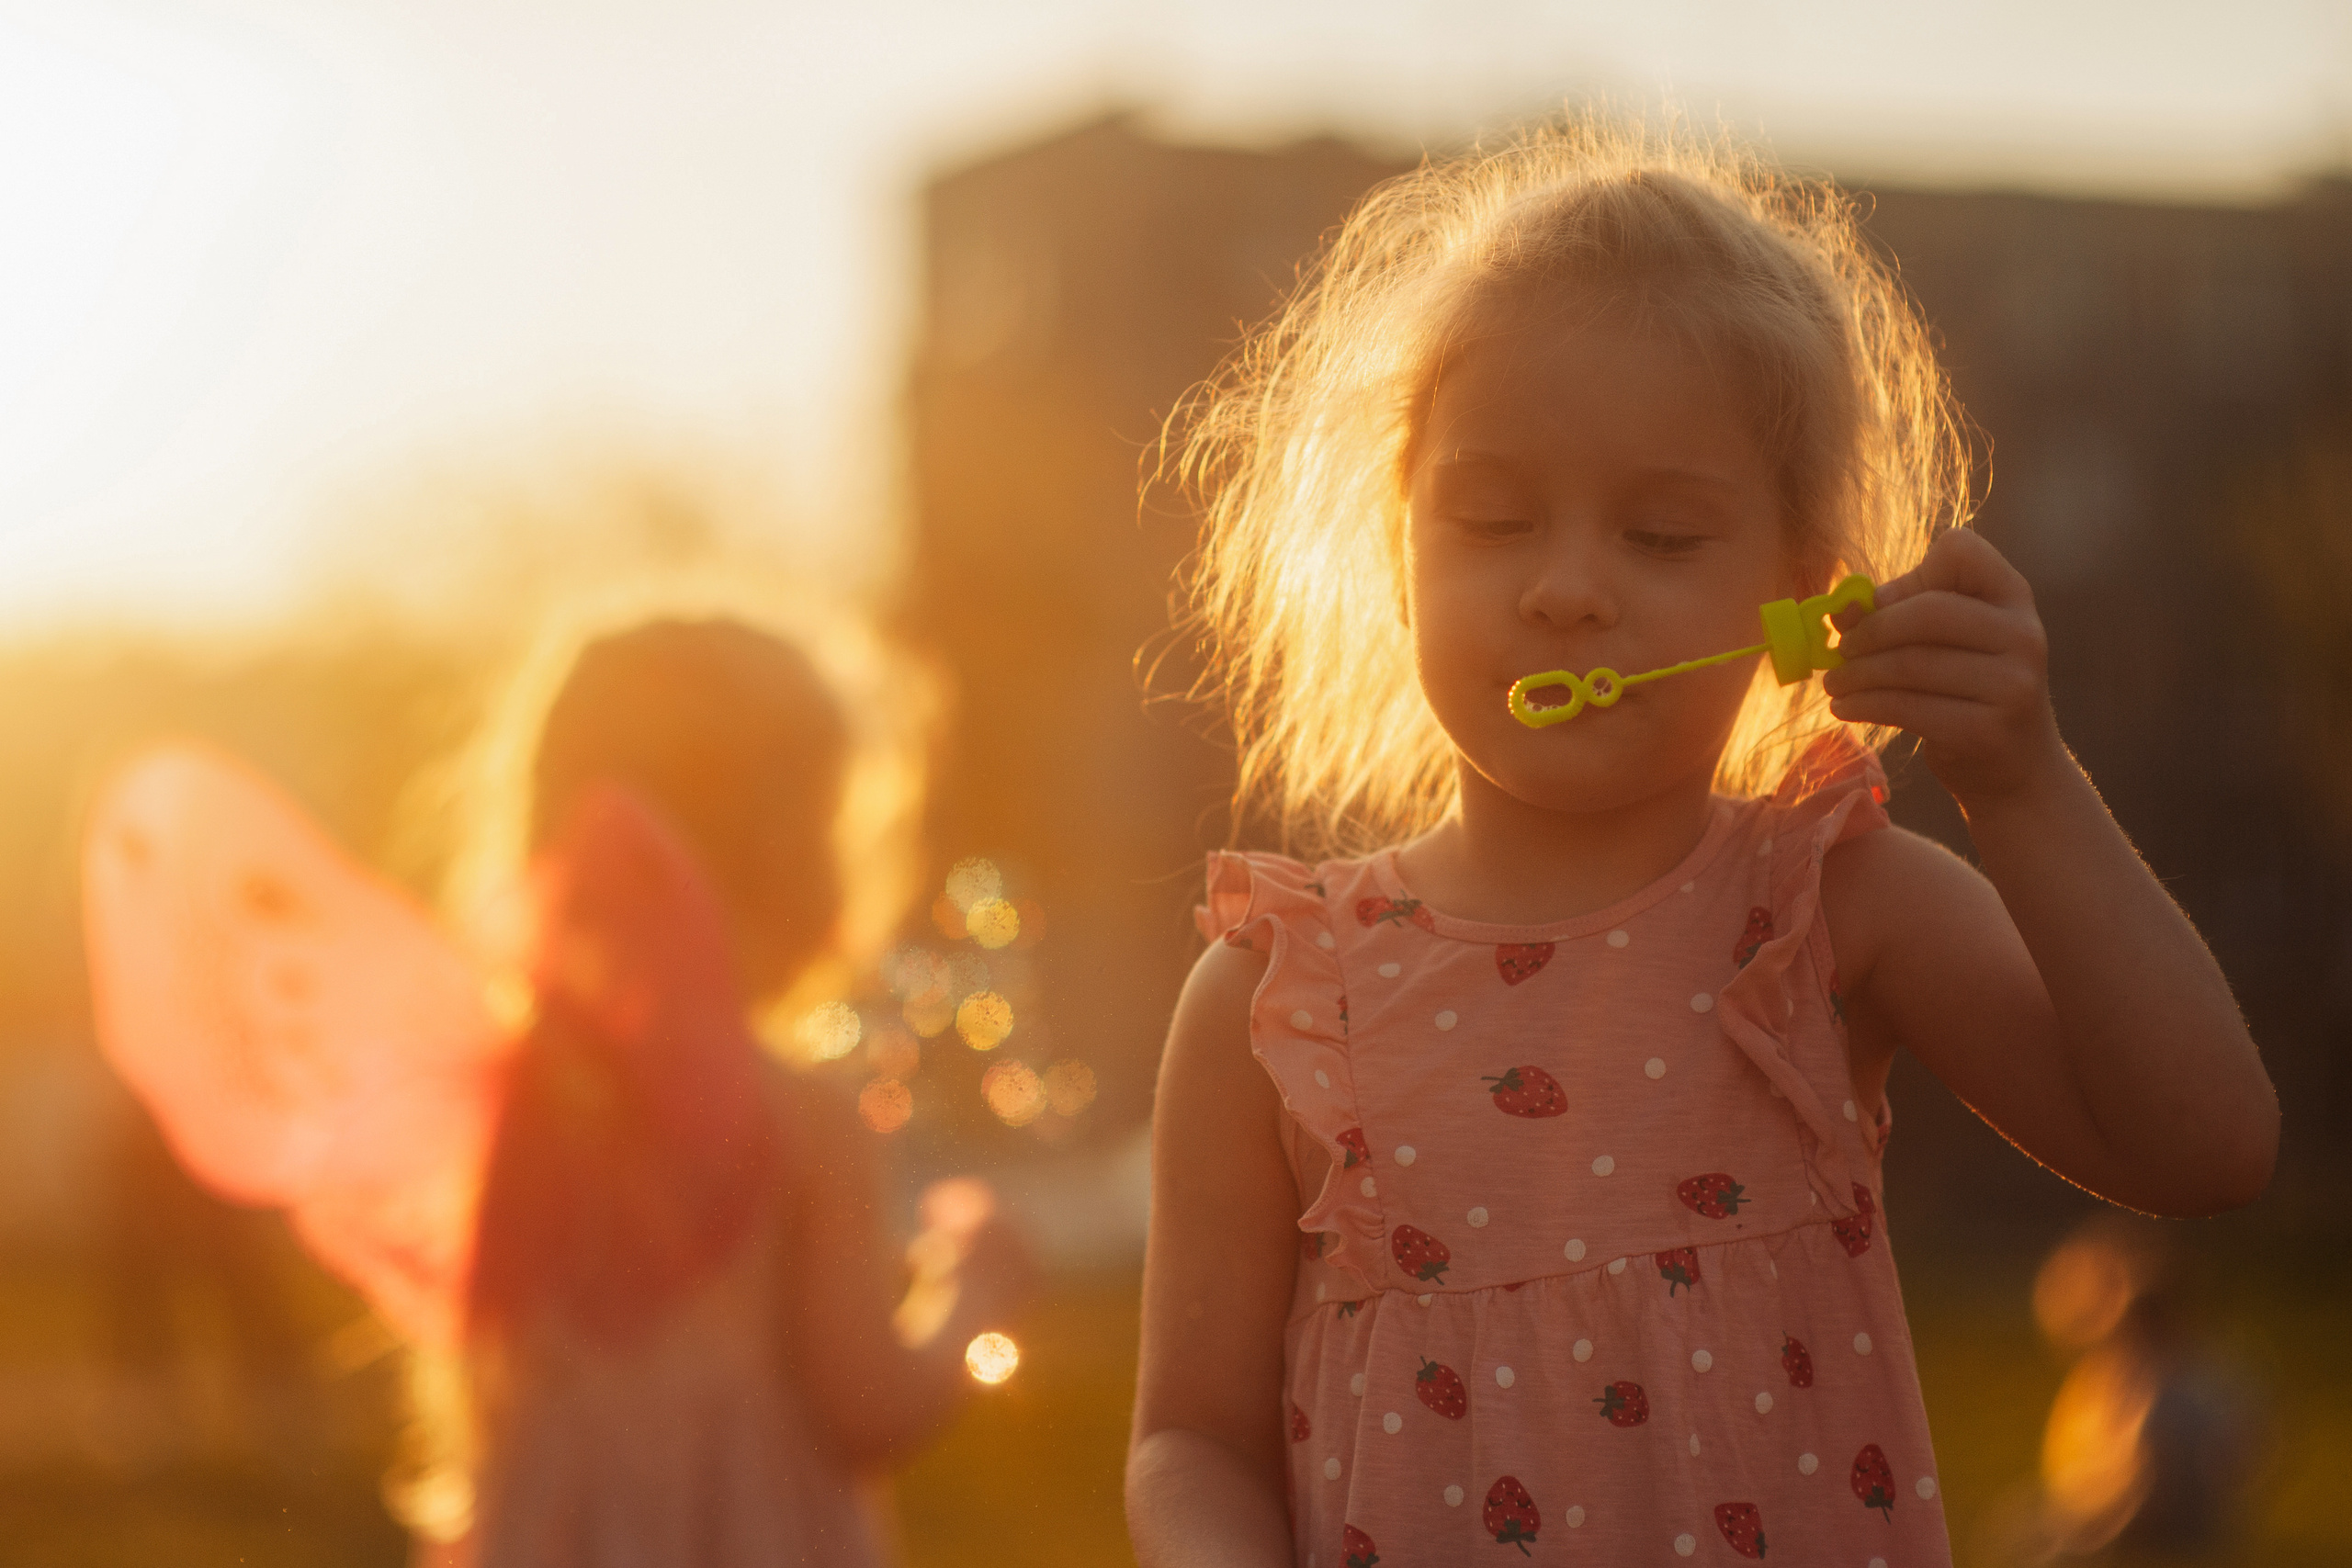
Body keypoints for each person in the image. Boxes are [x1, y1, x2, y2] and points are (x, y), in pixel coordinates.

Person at [1125, 115, 2278, 1568]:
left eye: (1663, 536)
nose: (1566, 589)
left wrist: (2025, 781)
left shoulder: (1828, 909)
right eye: (1492, 518)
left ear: (1800, 593)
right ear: (1395, 547)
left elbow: (2206, 1147)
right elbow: (1188, 1439)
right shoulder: (1281, 996)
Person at [85, 597, 1029, 1567]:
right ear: (800, 856)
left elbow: (484, 1388)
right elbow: (865, 1409)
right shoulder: (798, 1120)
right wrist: (976, 1298)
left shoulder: (507, 1110)